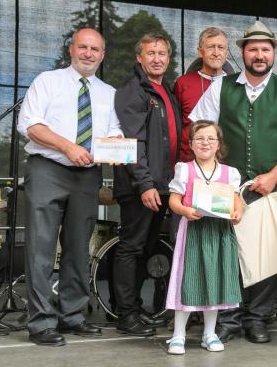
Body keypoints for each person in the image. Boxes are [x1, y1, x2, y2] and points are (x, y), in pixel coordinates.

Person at [190, 20, 277, 344]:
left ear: (273, 54)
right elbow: (201, 128)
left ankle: (258, 318)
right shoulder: (220, 86)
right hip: (224, 186)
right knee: (226, 252)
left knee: (266, 254)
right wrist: (209, 172)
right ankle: (228, 318)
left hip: (269, 184)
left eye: (265, 50)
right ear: (242, 52)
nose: (259, 55)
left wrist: (274, 177)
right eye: (253, 49)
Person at [17, 28, 122, 346]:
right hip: (48, 168)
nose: (88, 53)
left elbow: (114, 130)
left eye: (95, 49)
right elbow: (29, 124)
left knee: (78, 249)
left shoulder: (109, 92)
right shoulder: (47, 81)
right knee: (41, 249)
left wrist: (117, 146)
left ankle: (72, 317)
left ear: (102, 55)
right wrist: (67, 147)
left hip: (87, 175)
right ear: (71, 49)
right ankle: (40, 322)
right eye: (83, 47)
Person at [112, 32, 182, 336]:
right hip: (143, 187)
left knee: (146, 248)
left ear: (168, 58)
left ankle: (135, 310)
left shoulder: (164, 91)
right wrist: (144, 184)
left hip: (162, 186)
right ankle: (126, 314)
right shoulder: (133, 91)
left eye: (162, 53)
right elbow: (132, 142)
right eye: (150, 53)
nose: (157, 58)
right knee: (132, 247)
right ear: (139, 57)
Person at [165, 120, 243, 355]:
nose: (205, 143)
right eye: (200, 138)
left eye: (210, 138)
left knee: (215, 281)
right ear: (191, 144)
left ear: (219, 144)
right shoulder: (184, 169)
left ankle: (210, 333)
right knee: (186, 281)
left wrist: (237, 213)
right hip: (194, 233)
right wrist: (185, 211)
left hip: (219, 233)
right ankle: (178, 334)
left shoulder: (230, 173)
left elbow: (236, 200)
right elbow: (174, 200)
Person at [174, 27, 229, 162]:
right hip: (189, 161)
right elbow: (175, 127)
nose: (216, 53)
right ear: (200, 52)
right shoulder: (183, 83)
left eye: (221, 47)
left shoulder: (235, 85)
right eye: (211, 47)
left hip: (224, 163)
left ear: (226, 53)